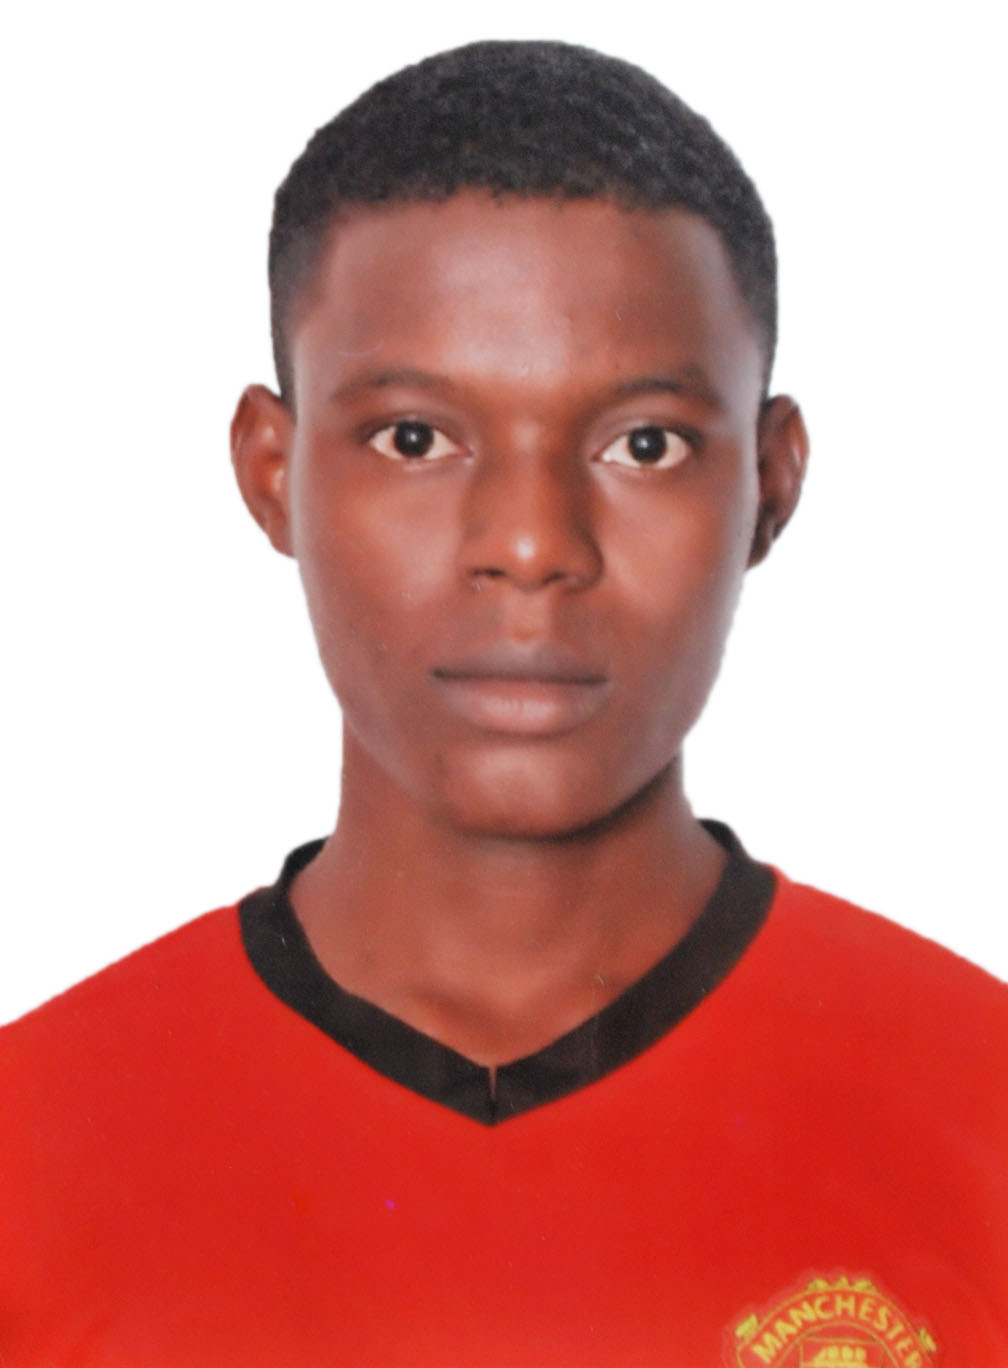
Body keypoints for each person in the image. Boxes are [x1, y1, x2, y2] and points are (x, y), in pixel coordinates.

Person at [1, 39, 1004, 1368]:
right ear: (272, 474)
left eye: (643, 443)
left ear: (769, 484)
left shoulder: (980, 1108)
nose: (532, 546)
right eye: (415, 438)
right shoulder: (32, 1149)